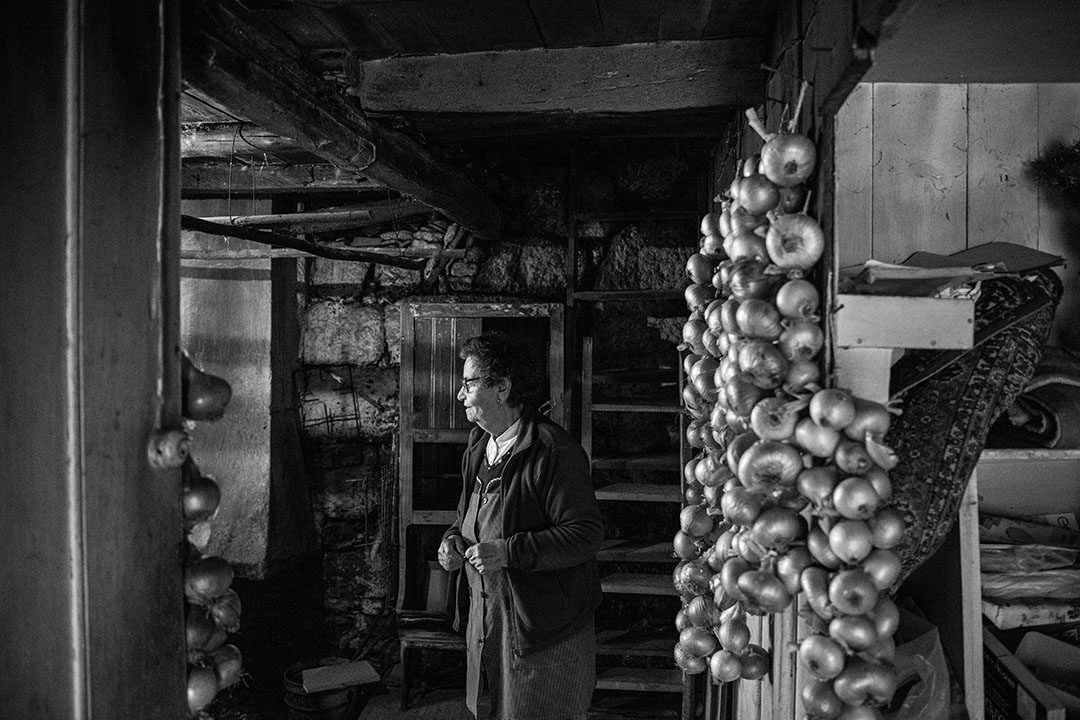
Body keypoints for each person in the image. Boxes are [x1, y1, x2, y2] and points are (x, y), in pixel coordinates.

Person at [438, 331, 604, 720]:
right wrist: (451, 541)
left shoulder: (553, 451)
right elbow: (464, 518)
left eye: (469, 384)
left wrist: (509, 552)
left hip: (541, 630)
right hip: (488, 622)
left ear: (501, 389)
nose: (461, 395)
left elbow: (585, 534)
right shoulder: (480, 446)